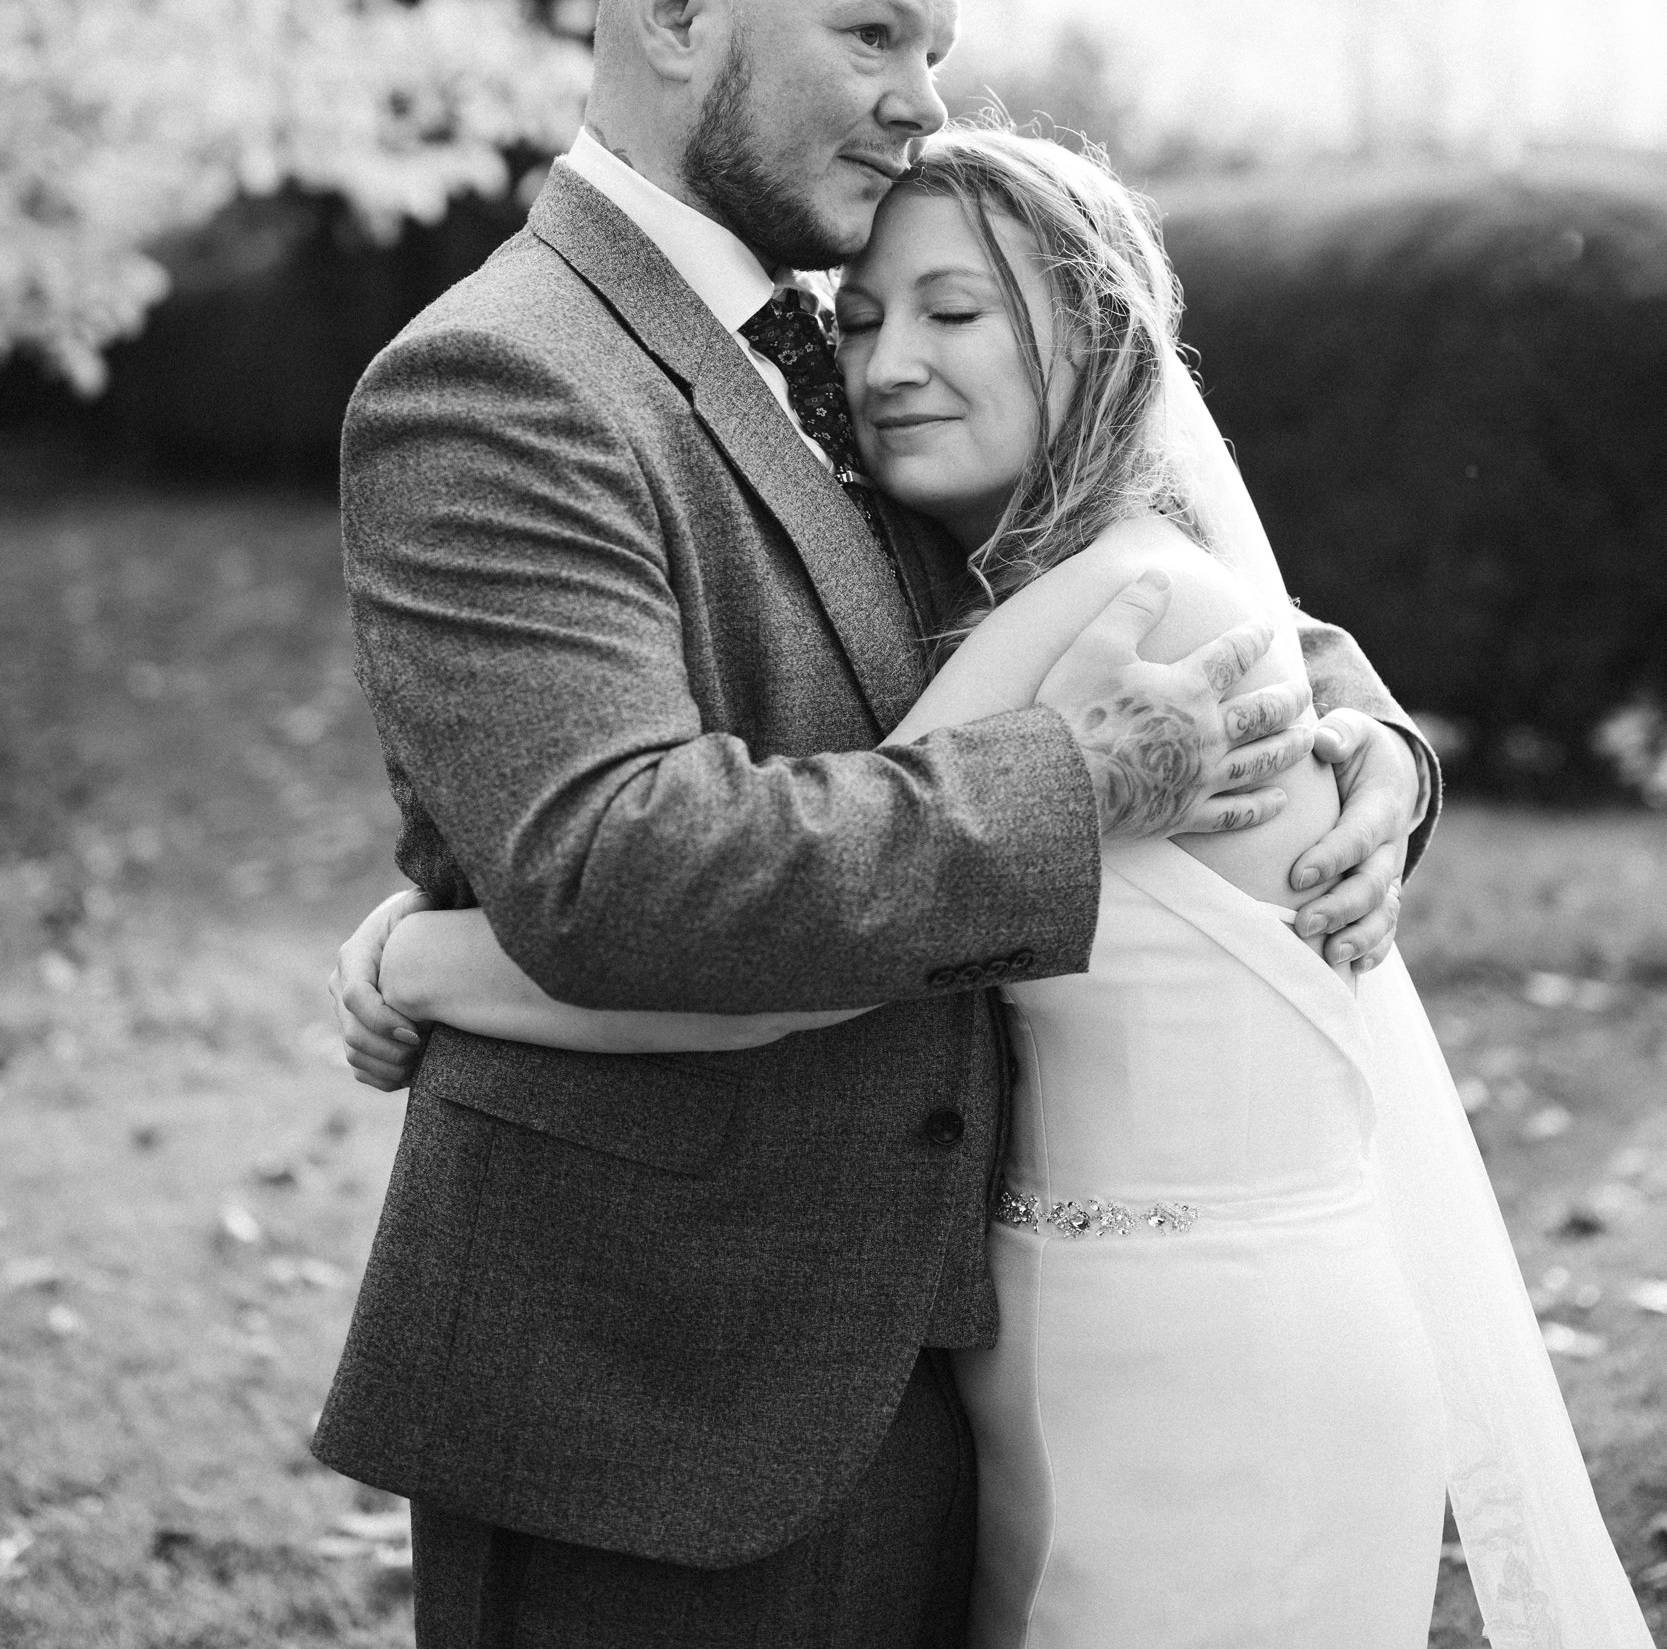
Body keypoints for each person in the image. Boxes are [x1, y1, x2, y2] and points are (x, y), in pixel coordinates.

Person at [316, 0, 1433, 1649]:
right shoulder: (502, 376)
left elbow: (1092, 567)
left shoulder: (837, 338)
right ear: (679, 15)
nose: (924, 95)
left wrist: (1361, 733)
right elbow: (622, 866)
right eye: (874, 35)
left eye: (935, 46)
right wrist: (1091, 779)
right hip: (652, 1394)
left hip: (945, 1348)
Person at [340, 124, 1653, 1649]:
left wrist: (409, 961)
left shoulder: (1126, 603)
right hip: (1069, 1353)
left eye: (956, 312)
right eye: (867, 317)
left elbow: (793, 951)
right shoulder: (1021, 583)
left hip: (1210, 1376)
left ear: (1094, 342)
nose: (890, 359)